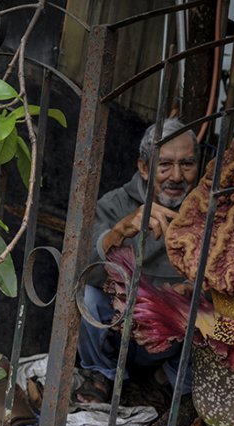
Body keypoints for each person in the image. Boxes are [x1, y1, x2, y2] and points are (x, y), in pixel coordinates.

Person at [75, 118, 199, 403]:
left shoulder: (206, 212)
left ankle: (164, 382)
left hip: (170, 339)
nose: (177, 176)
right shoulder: (115, 203)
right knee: (87, 294)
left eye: (187, 164)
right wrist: (120, 230)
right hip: (117, 335)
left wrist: (181, 296)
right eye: (165, 165)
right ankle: (101, 374)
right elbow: (83, 270)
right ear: (144, 168)